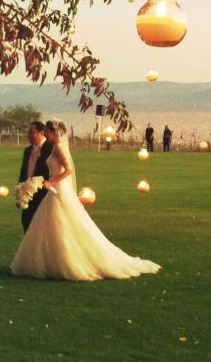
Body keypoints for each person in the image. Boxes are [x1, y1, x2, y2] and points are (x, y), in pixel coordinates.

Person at [11, 120, 161, 281]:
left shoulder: (59, 148)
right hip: (54, 191)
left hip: (59, 190)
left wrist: (51, 182)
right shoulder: (54, 147)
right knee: (48, 226)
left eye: (47, 132)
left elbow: (68, 169)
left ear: (54, 133)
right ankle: (50, 261)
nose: (46, 134)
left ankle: (66, 261)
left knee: (62, 224)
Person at [18, 121, 53, 232]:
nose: (29, 135)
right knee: (26, 221)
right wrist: (20, 191)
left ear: (41, 133)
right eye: (29, 132)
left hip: (43, 193)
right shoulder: (28, 150)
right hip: (28, 194)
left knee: (41, 226)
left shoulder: (50, 148)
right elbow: (24, 171)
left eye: (32, 132)